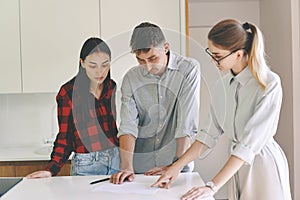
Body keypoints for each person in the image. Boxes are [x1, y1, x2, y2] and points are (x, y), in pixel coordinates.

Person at [152, 19, 292, 200]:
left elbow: (248, 145)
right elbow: (207, 135)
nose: (213, 61)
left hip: (262, 166)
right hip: (235, 166)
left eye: (218, 56)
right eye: (211, 53)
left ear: (239, 54)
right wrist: (175, 167)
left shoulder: (268, 84)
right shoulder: (222, 86)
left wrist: (212, 185)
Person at [110, 22, 200, 184]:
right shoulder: (131, 78)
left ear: (165, 47)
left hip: (177, 165)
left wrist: (175, 166)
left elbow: (186, 123)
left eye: (153, 58)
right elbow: (128, 126)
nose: (148, 67)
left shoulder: (188, 69)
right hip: (140, 169)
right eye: (140, 60)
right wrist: (126, 166)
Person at [26, 37, 120, 178]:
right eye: (93, 66)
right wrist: (51, 169)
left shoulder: (110, 87)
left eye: (105, 65)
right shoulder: (68, 93)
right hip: (87, 164)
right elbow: (65, 137)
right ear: (82, 63)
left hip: (115, 160)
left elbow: (113, 130)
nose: (100, 71)